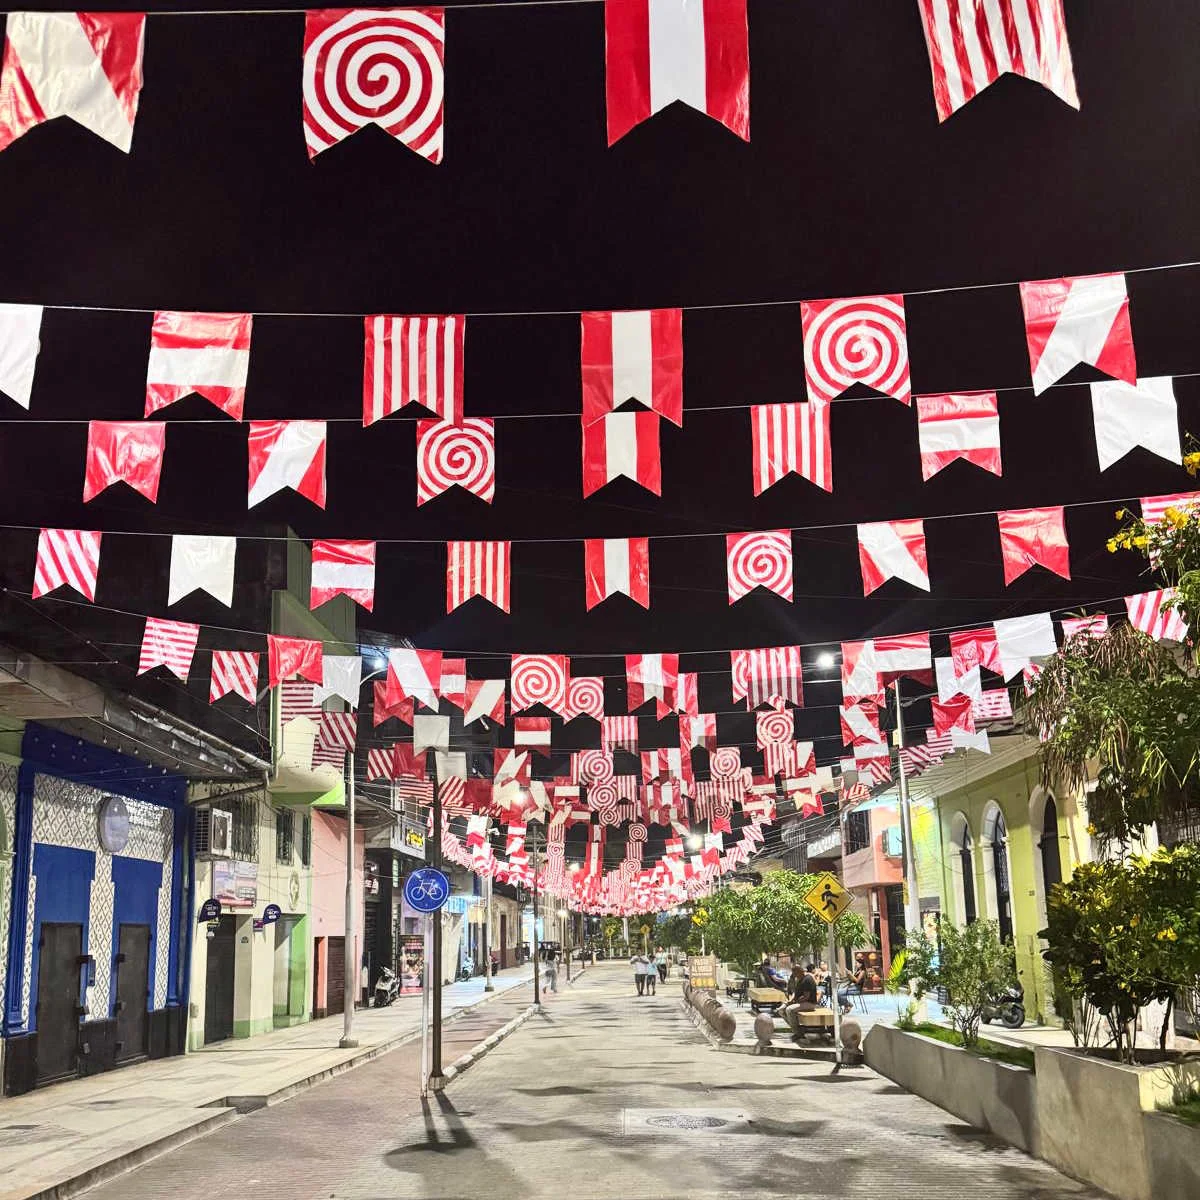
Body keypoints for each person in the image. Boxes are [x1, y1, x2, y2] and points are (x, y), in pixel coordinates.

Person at [781, 964, 819, 1041]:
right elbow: (796, 992)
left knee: (789, 1010)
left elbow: (806, 997)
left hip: (809, 1003)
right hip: (800, 1002)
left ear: (800, 971)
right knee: (781, 1010)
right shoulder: (799, 979)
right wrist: (790, 1000)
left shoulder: (807, 979)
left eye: (795, 974)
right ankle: (796, 1027)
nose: (795, 976)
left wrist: (795, 1002)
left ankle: (798, 1033)